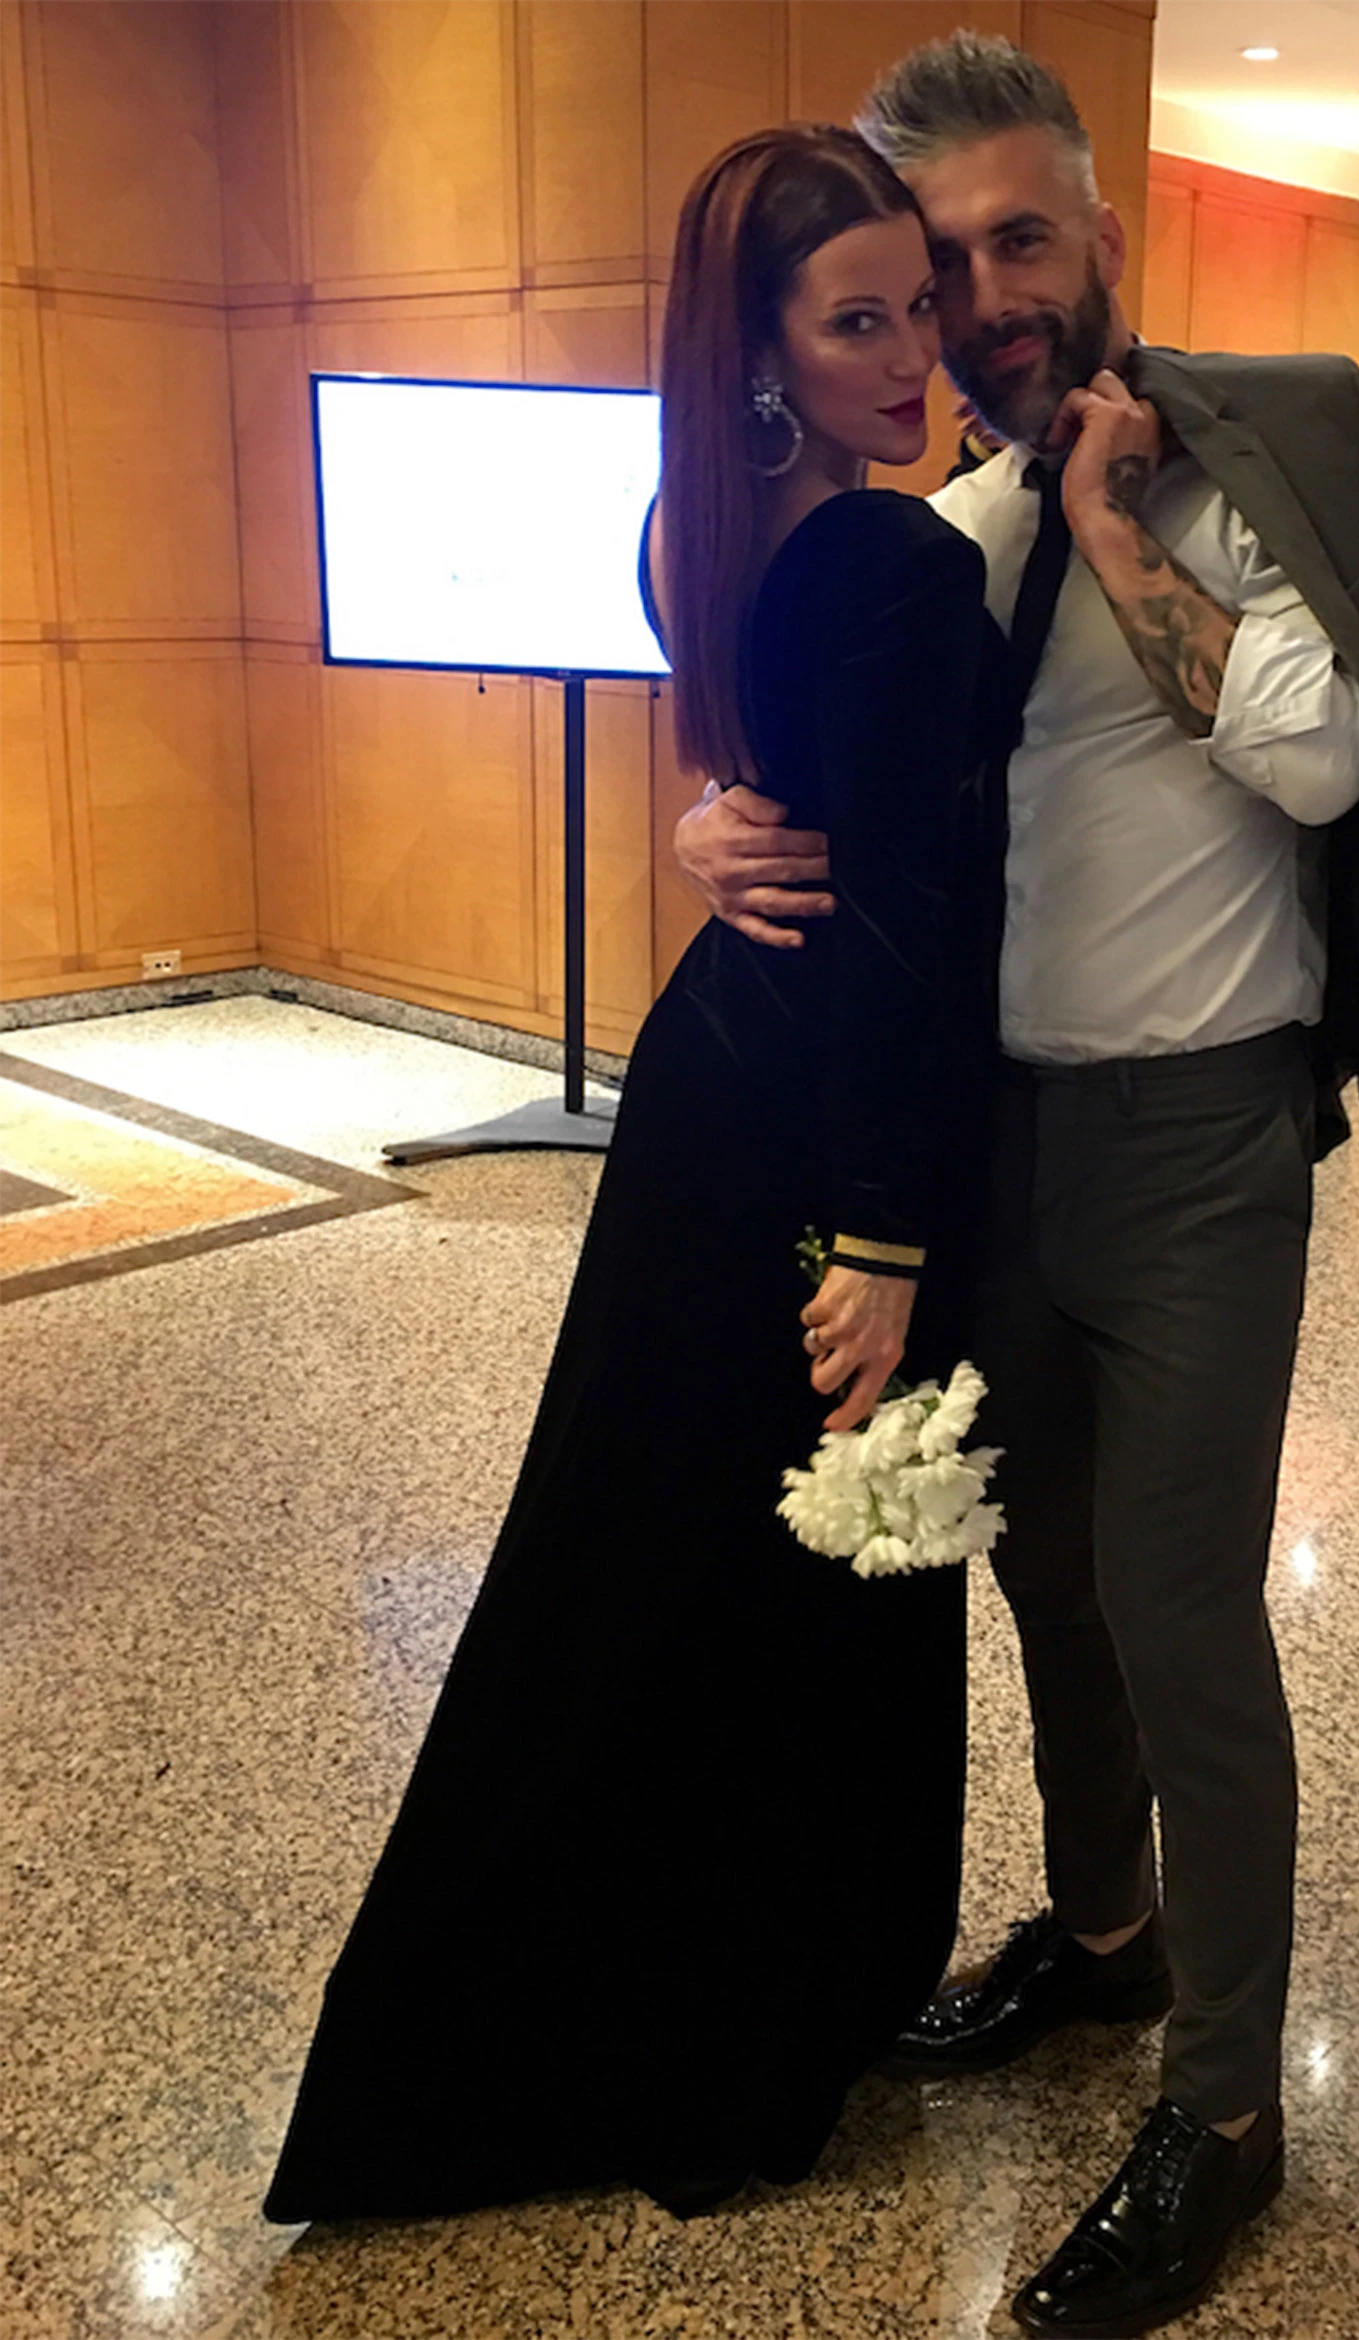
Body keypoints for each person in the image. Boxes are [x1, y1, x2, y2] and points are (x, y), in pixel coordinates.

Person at [673, 34, 1359, 2337]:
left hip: (1202, 1143)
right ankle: (1107, 1938)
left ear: (1102, 235)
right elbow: (872, 809)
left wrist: (1122, 531)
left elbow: (1323, 758)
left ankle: (1227, 2109)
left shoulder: (1237, 473)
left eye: (1022, 237)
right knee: (1044, 1584)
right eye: (938, 261)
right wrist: (714, 826)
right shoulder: (948, 534)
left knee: (1182, 1610)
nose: (983, 297)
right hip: (1001, 1144)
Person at [265, 124, 1008, 2224]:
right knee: (807, 1569)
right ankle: (744, 2015)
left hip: (715, 1101)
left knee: (652, 1560)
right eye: (856, 323)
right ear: (764, 350)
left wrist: (711, 827)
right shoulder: (893, 559)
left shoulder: (705, 517)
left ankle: (559, 2005)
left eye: (918, 307)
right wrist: (886, 1234)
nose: (911, 355)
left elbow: (774, 798)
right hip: (828, 1132)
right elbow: (908, 925)